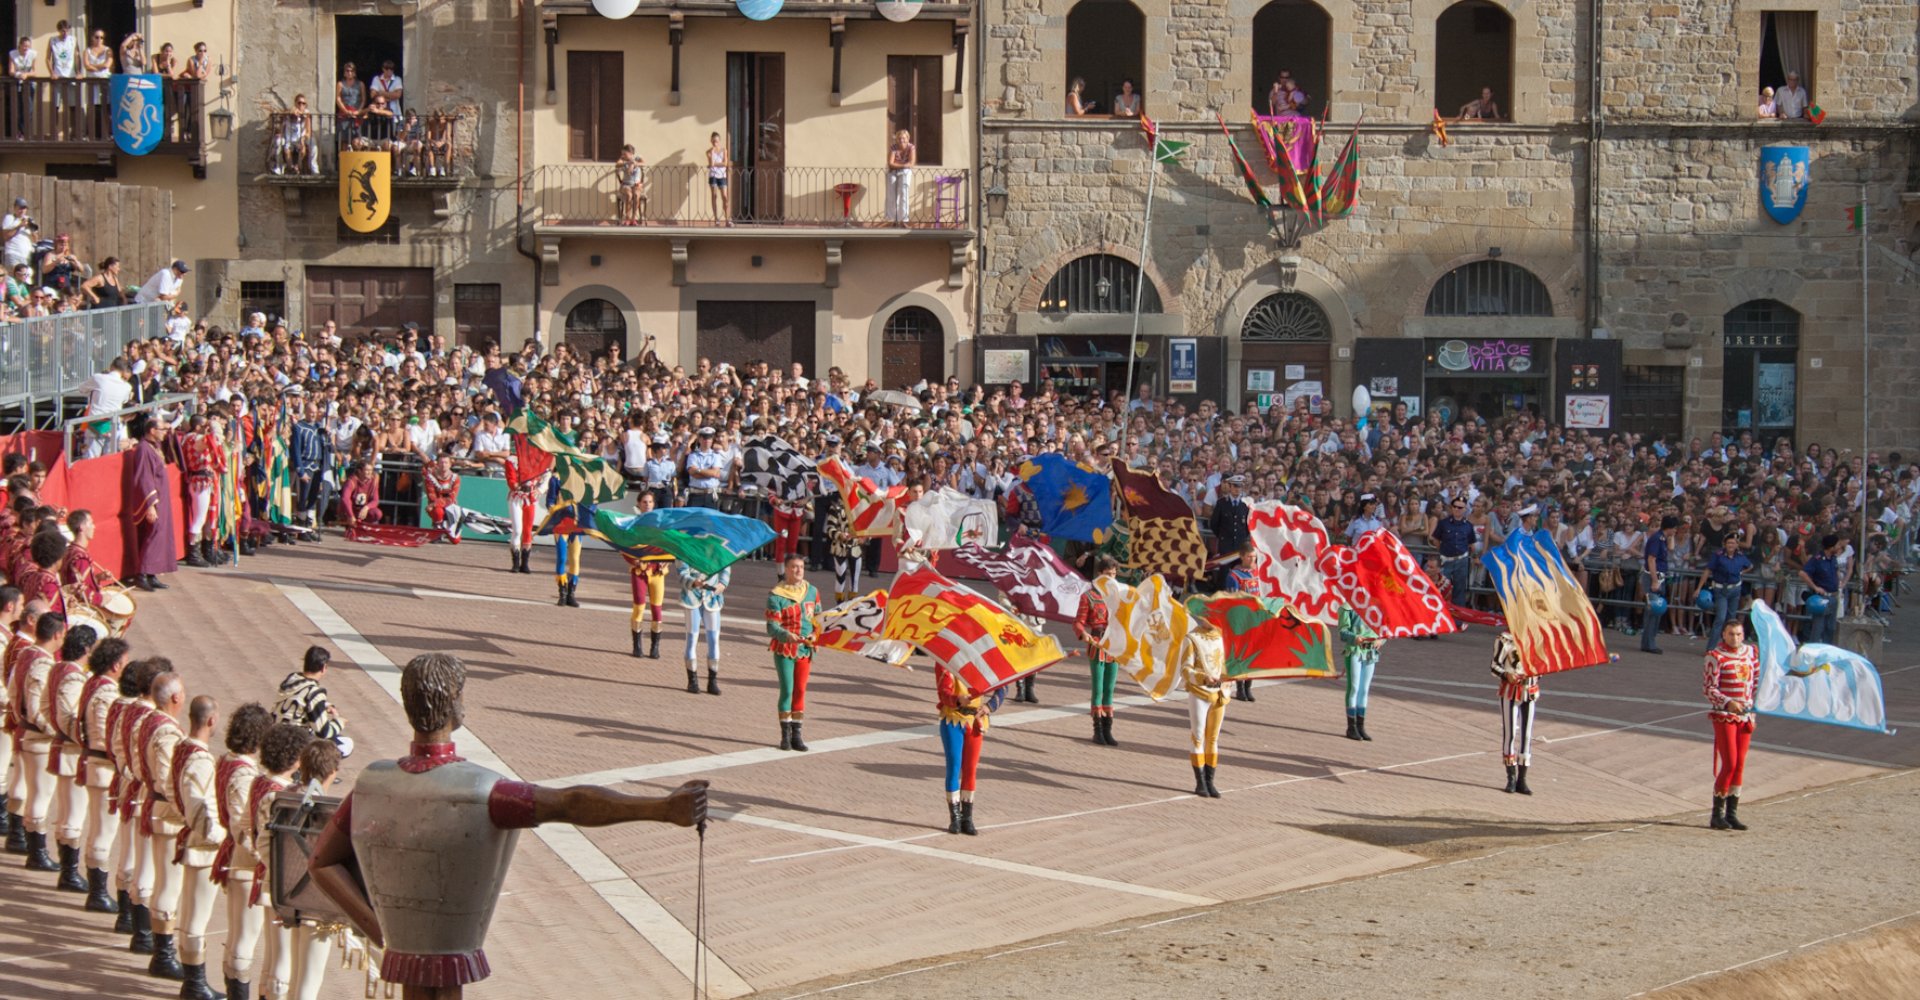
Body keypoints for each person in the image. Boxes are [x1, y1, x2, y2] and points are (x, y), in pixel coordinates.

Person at [305, 652, 707, 998]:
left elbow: (321, 862)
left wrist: (384, 931)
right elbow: (571, 803)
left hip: (403, 949)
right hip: (449, 949)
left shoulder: (371, 784)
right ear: (454, 703)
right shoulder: (484, 790)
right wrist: (660, 807)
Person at [241, 723, 310, 1000]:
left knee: (271, 960)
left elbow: (247, 827)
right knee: (281, 961)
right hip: (279, 881)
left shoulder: (260, 782)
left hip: (266, 874)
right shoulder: (281, 794)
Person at [208, 702, 271, 999]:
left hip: (235, 856)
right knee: (245, 936)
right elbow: (243, 825)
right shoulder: (245, 774)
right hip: (245, 862)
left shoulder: (228, 761)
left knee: (236, 934)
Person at [170, 693, 229, 1000]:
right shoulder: (200, 759)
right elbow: (202, 811)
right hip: (202, 848)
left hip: (192, 840)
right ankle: (194, 984)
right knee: (196, 918)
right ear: (210, 720)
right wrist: (223, 838)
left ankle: (193, 981)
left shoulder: (181, 748)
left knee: (192, 916)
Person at [136, 669, 189, 980]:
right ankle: (163, 953)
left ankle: (160, 949)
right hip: (166, 812)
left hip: (154, 803)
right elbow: (170, 780)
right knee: (168, 884)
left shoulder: (151, 722)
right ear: (174, 698)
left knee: (162, 881)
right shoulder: (167, 732)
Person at [284, 738, 345, 1000]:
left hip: (285, 892)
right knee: (308, 983)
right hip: (316, 901)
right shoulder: (328, 808)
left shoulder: (284, 796)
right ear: (333, 771)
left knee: (293, 978)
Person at [12, 610, 70, 874]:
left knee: (30, 789)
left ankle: (29, 843)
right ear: (57, 634)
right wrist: (57, 731)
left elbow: (13, 690)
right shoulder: (43, 663)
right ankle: (37, 851)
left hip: (25, 731)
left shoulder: (26, 653)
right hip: (38, 737)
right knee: (40, 794)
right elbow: (36, 708)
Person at [76, 635, 130, 915]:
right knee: (103, 832)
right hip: (103, 767)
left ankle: (96, 888)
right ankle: (97, 892)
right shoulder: (107, 693)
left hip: (95, 764)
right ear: (116, 664)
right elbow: (106, 736)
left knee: (98, 829)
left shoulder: (93, 684)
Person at [44, 623, 99, 895]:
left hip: (65, 749)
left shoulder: (58, 669)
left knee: (68, 813)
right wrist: (85, 740)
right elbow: (69, 718)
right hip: (71, 752)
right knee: (73, 815)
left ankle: (68, 870)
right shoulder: (73, 677)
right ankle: (69, 872)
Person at [935, 662, 1005, 834]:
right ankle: (955, 818)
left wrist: (990, 706)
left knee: (971, 769)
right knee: (954, 767)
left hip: (975, 720)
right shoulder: (944, 660)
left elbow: (1003, 686)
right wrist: (958, 699)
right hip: (953, 718)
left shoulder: (983, 659)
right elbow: (943, 692)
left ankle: (968, 818)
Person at [1703, 619, 1757, 830]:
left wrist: (1751, 706)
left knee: (1740, 765)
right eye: (1731, 634)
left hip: (1745, 715)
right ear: (1723, 635)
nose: (1735, 638)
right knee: (1730, 762)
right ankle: (1717, 814)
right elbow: (1709, 688)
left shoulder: (1751, 653)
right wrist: (1728, 702)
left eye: (1738, 634)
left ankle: (1732, 813)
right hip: (1725, 715)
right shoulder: (1715, 656)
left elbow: (1755, 682)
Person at [765, 553, 819, 749]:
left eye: (801, 567)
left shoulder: (812, 591)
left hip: (805, 649)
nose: (798, 571)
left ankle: (797, 735)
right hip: (785, 648)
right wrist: (786, 635)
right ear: (786, 569)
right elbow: (772, 627)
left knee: (801, 690)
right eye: (794, 567)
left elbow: (818, 620)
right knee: (787, 689)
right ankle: (785, 735)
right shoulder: (776, 595)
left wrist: (814, 634)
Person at [125, 412, 178, 592]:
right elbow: (143, 478)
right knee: (153, 534)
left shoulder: (155, 447)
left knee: (161, 535)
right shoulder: (143, 449)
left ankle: (152, 572)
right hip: (154, 500)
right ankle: (142, 573)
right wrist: (150, 504)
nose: (164, 433)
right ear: (152, 430)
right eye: (162, 429)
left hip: (162, 498)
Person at [1179, 612, 1228, 799]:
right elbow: (1185, 669)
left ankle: (1210, 781)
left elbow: (1227, 663)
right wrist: (1202, 677)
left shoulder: (1223, 637)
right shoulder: (1192, 638)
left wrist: (1231, 676)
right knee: (1198, 736)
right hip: (1199, 692)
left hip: (1220, 693)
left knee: (1213, 738)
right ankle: (1200, 782)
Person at [272, 646, 353, 758]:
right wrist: (339, 722)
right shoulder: (315, 692)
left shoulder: (291, 680)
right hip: (296, 743)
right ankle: (315, 772)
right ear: (324, 668)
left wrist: (325, 705)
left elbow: (299, 699)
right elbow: (323, 732)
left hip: (275, 736)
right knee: (345, 743)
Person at [622, 492, 674, 659]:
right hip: (640, 571)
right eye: (644, 502)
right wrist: (633, 561)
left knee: (657, 609)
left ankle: (655, 647)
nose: (648, 505)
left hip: (658, 572)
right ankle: (637, 646)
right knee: (639, 607)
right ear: (638, 504)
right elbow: (624, 546)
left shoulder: (661, 524)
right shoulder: (632, 523)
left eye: (650, 502)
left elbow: (671, 544)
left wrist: (668, 559)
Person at [1075, 556, 1120, 746]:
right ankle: (1097, 730)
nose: (1111, 578)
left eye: (1114, 574)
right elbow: (1078, 621)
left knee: (1110, 688)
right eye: (1108, 574)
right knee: (1098, 688)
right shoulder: (1089, 596)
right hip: (1097, 643)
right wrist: (1083, 634)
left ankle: (1108, 729)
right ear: (1100, 574)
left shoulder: (1119, 596)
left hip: (1114, 645)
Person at [178, 408, 229, 568]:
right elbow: (210, 443)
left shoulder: (194, 437)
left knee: (207, 516)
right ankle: (193, 551)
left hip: (206, 479)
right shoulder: (193, 438)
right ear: (198, 427)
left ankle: (205, 549)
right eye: (205, 426)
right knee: (199, 517)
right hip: (199, 479)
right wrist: (215, 429)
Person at [1491, 631, 1537, 794]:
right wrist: (1505, 674)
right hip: (1511, 691)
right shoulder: (1504, 639)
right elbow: (1494, 665)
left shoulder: (1536, 637)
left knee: (1526, 735)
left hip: (1530, 690)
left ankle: (1522, 780)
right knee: (1510, 734)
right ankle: (1511, 777)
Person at [680, 559, 730, 696]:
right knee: (692, 639)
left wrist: (722, 584)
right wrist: (694, 582)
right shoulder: (685, 547)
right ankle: (692, 680)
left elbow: (726, 563)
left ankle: (712, 681)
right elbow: (682, 573)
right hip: (692, 597)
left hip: (712, 598)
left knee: (714, 639)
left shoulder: (715, 546)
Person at [1339, 606, 1380, 741]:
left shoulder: (1376, 605)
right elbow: (1343, 632)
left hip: (1370, 652)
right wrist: (1354, 637)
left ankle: (1360, 726)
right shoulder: (1347, 607)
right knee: (1354, 687)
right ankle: (1351, 727)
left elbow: (1383, 628)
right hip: (1354, 651)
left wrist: (1381, 640)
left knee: (1364, 689)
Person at [1703, 531, 1752, 639]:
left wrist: (1741, 572)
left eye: (1733, 543)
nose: (1731, 545)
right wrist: (1698, 588)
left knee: (1731, 619)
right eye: (1729, 543)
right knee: (1720, 618)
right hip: (1721, 589)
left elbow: (1749, 566)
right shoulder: (1718, 555)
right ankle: (1711, 647)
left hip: (1735, 589)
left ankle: (1728, 645)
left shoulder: (1740, 556)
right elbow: (1708, 570)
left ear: (1737, 545)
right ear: (1725, 544)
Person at [1641, 514, 1676, 654]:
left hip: (1658, 577)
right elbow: (1651, 560)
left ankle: (1648, 642)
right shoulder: (1657, 539)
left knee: (1655, 611)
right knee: (1654, 611)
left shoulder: (1662, 538)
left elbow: (1671, 548)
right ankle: (1649, 643)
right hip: (1653, 577)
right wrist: (1655, 580)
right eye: (1674, 529)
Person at [1797, 533, 1841, 644]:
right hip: (1822, 597)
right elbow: (1802, 573)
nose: (1839, 547)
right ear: (1831, 547)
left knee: (1830, 628)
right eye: (1837, 545)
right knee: (1818, 627)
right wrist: (1815, 587)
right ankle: (1814, 650)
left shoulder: (1833, 559)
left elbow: (1836, 572)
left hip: (1833, 596)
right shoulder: (1817, 559)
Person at [273, 95, 315, 175]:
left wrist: (303, 140)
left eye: (303, 103)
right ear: (295, 103)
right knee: (284, 147)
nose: (301, 105)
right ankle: (286, 167)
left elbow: (308, 131)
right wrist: (290, 112)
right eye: (299, 103)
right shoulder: (289, 113)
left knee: (303, 150)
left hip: (300, 140)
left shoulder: (306, 114)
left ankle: (299, 168)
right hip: (289, 141)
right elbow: (282, 117)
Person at [886, 128, 915, 226]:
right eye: (899, 138)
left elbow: (911, 163)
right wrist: (903, 165)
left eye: (903, 138)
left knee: (904, 194)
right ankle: (893, 220)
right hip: (892, 172)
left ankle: (904, 220)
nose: (901, 140)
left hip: (905, 172)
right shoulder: (893, 147)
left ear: (908, 138)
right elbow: (890, 163)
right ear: (896, 139)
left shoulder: (911, 147)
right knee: (891, 196)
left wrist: (899, 165)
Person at [336, 61, 367, 150]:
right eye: (347, 71)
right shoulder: (340, 84)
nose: (349, 73)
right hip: (344, 114)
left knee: (357, 141)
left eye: (351, 71)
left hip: (357, 114)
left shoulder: (360, 84)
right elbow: (338, 98)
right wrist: (346, 111)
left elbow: (363, 99)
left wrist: (358, 111)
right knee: (344, 141)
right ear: (344, 73)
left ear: (354, 73)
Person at [615, 143, 646, 224]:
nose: (623, 155)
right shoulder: (623, 159)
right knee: (629, 195)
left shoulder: (637, 158)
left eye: (625, 154)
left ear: (631, 153)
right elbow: (617, 164)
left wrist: (634, 163)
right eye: (622, 154)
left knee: (636, 195)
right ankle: (627, 218)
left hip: (636, 184)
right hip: (626, 184)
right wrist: (627, 163)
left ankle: (633, 218)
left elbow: (643, 163)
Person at [706, 131, 731, 225]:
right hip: (713, 175)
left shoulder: (724, 150)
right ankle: (716, 219)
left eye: (716, 141)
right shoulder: (709, 152)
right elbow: (711, 163)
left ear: (719, 141)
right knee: (714, 196)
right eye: (713, 141)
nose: (715, 143)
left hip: (722, 176)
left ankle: (727, 218)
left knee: (725, 196)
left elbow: (725, 163)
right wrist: (712, 152)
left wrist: (714, 165)